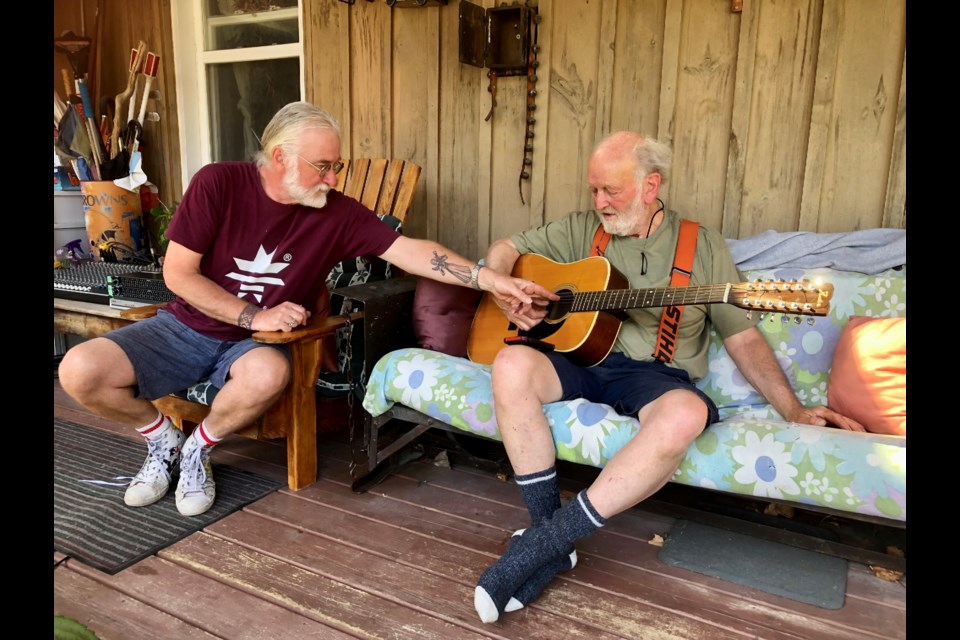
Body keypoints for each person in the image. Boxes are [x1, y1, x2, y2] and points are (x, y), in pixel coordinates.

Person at [58, 101, 554, 518]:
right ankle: (163, 438)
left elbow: (413, 253)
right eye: (325, 166)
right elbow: (177, 275)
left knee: (267, 374)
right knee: (79, 370)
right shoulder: (218, 185)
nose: (335, 177)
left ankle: (197, 449)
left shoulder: (336, 213)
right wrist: (254, 315)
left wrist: (490, 279)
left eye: (337, 165)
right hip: (184, 327)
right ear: (280, 157)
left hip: (256, 346)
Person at [472, 131, 864, 623]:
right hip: (584, 361)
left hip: (655, 376)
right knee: (510, 365)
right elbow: (505, 247)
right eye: (593, 190)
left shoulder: (701, 246)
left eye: (610, 191)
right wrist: (504, 285)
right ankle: (546, 530)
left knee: (687, 414)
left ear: (650, 186)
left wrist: (792, 409)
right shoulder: (580, 229)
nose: (599, 202)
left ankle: (548, 542)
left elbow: (741, 337)